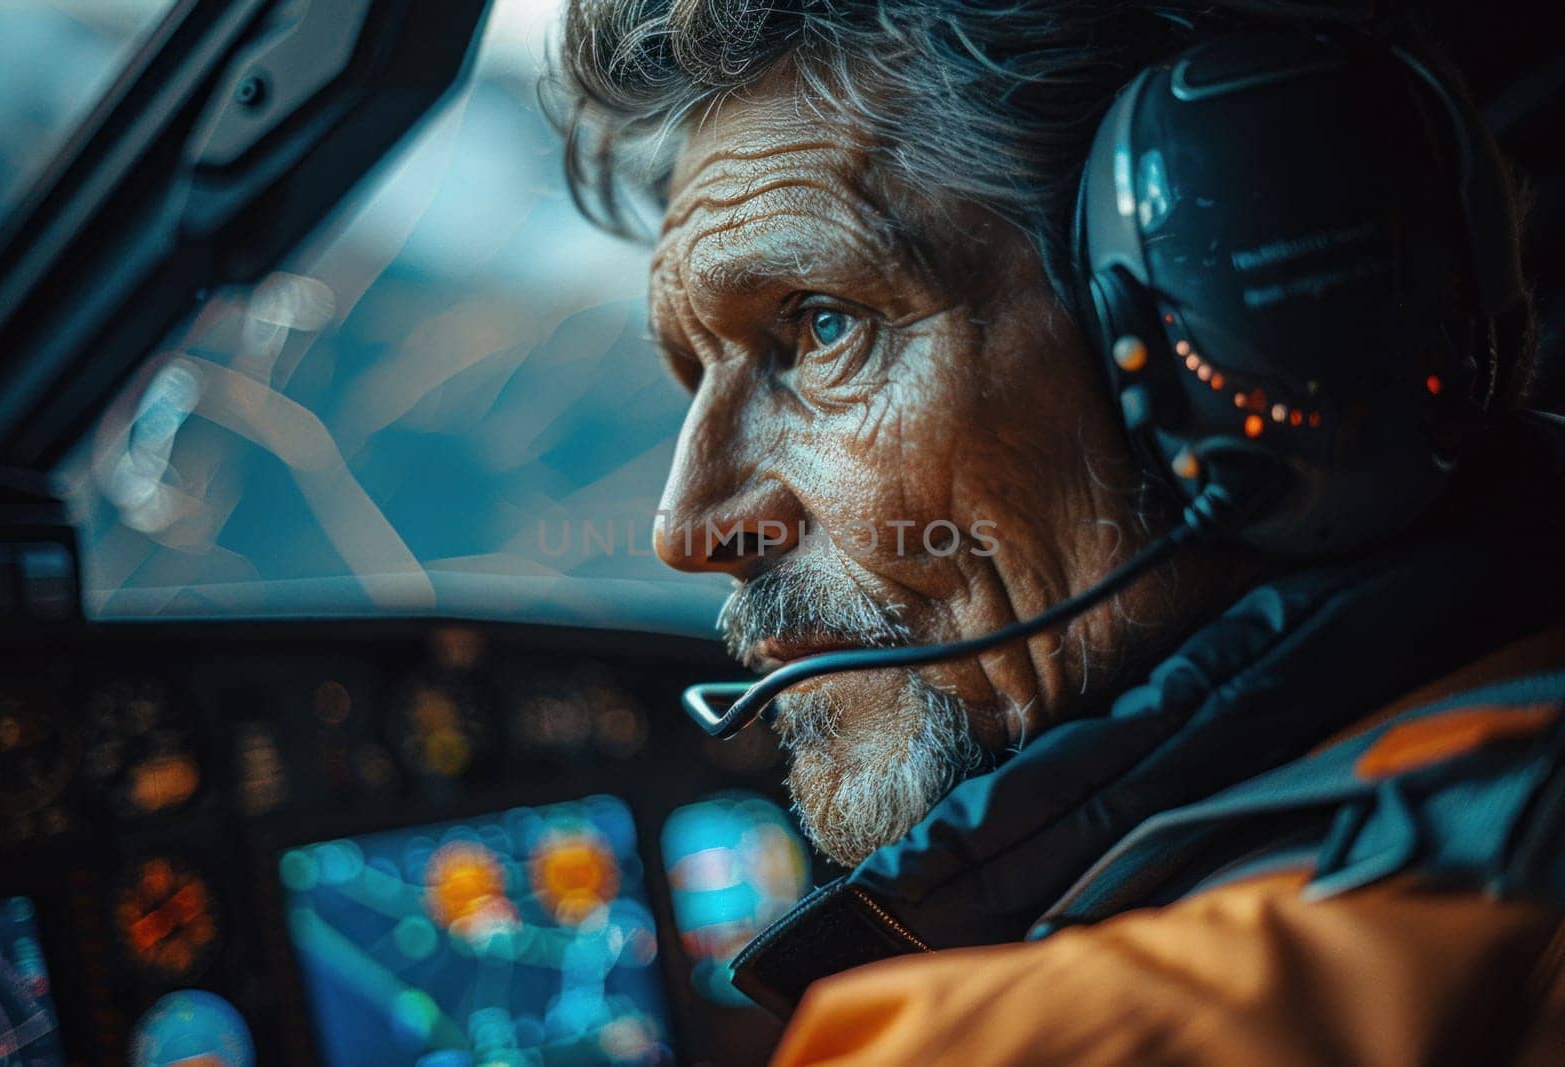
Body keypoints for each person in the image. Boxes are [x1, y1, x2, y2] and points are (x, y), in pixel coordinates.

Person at [553, 0, 1565, 1061]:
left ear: (1239, 322)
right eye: (693, 374)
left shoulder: (1042, 1034)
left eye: (819, 326)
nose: (690, 524)